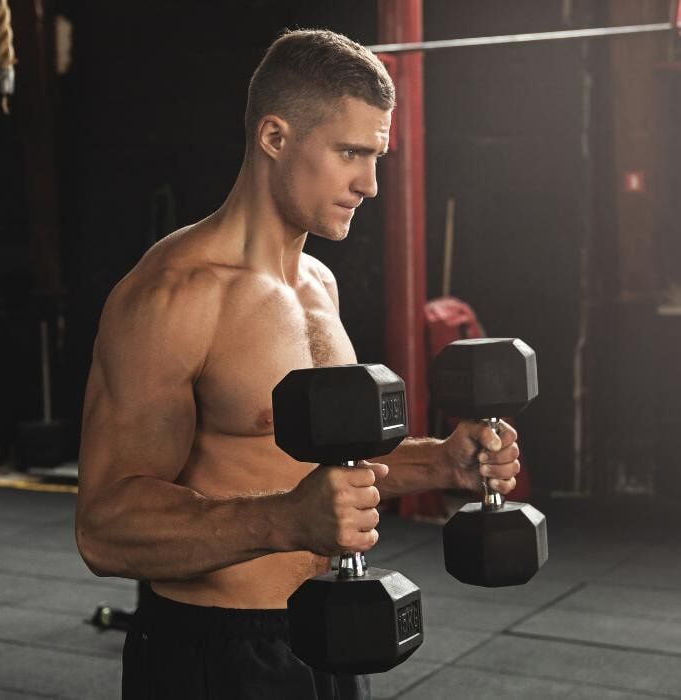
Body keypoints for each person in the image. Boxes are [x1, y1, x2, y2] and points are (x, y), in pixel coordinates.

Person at [75, 28, 521, 700]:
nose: (369, 184)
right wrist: (285, 520)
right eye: (350, 153)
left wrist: (440, 464)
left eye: (376, 157)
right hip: (212, 653)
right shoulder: (175, 294)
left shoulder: (318, 284)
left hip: (329, 634)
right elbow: (105, 529)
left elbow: (313, 478)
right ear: (275, 137)